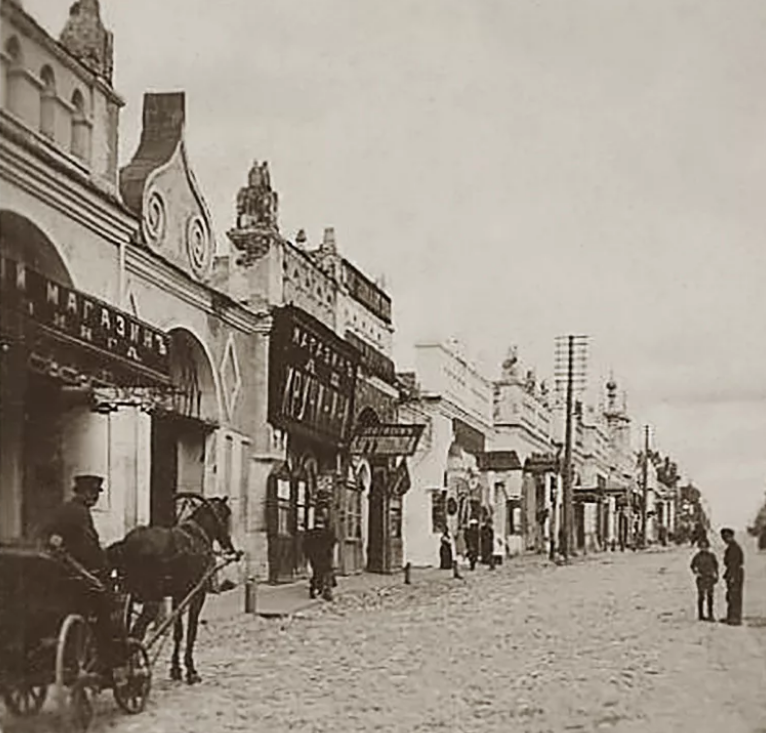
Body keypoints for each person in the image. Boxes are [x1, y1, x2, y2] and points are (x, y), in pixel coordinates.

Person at [42, 474, 120, 675]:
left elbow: (51, 539)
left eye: (96, 494)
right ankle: (108, 657)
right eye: (92, 493)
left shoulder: (63, 510)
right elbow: (88, 548)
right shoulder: (81, 514)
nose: (95, 498)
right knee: (108, 607)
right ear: (83, 493)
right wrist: (104, 569)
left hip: (59, 576)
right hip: (79, 577)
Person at [306, 513, 337, 601]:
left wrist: (308, 555)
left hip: (314, 557)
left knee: (316, 573)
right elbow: (333, 544)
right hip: (325, 557)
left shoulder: (310, 533)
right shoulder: (328, 533)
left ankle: (313, 589)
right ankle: (325, 591)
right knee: (326, 573)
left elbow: (305, 545)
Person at [690, 537, 718, 621]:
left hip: (709, 578)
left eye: (705, 546)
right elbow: (692, 566)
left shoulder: (711, 556)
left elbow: (716, 566)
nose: (704, 548)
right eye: (702, 547)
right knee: (701, 596)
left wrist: (716, 575)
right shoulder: (697, 556)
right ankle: (701, 615)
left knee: (710, 596)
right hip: (701, 578)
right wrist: (696, 572)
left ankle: (710, 614)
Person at [720, 528, 744, 625]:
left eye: (726, 537)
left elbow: (734, 563)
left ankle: (735, 618)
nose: (725, 539)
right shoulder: (732, 547)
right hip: (733, 572)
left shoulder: (734, 548)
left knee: (734, 595)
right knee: (731, 595)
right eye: (724, 537)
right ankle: (731, 616)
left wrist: (732, 576)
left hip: (735, 573)